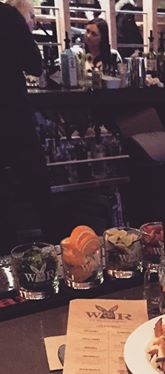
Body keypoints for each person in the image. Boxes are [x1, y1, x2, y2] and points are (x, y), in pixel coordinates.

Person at [0, 2, 53, 253]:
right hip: (14, 115)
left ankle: (6, 260)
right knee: (38, 187)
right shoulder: (8, 15)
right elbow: (34, 65)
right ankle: (56, 251)